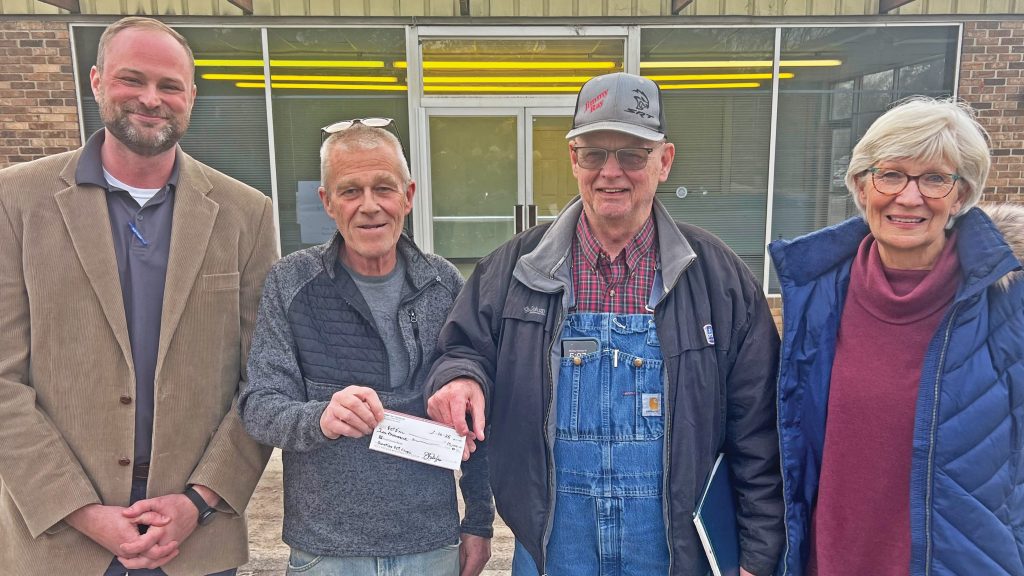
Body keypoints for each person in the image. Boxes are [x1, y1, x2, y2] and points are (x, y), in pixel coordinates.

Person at [426, 72, 784, 576]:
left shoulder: (718, 280)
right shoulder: (514, 270)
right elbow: (463, 348)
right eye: (594, 153)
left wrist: (758, 556)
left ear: (664, 161)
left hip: (674, 554)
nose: (610, 172)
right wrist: (461, 378)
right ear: (574, 159)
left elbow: (759, 430)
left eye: (633, 155)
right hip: (551, 549)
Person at [0, 16, 278, 576]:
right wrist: (81, 511)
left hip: (195, 542)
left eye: (170, 85)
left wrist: (199, 501)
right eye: (133, 79)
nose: (152, 99)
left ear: (191, 96)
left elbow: (265, 380)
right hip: (59, 544)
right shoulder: (17, 201)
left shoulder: (247, 214)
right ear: (97, 81)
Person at [770, 97, 1024, 576]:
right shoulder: (817, 293)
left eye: (935, 179)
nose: (909, 198)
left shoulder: (1007, 301)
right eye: (890, 175)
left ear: (960, 195)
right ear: (861, 186)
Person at [238, 119, 494, 576]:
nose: (369, 206)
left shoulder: (444, 284)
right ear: (328, 202)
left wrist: (479, 520)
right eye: (351, 191)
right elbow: (259, 405)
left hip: (431, 544)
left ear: (408, 196)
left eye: (384, 188)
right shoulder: (291, 283)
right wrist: (320, 418)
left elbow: (476, 412)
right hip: (327, 552)